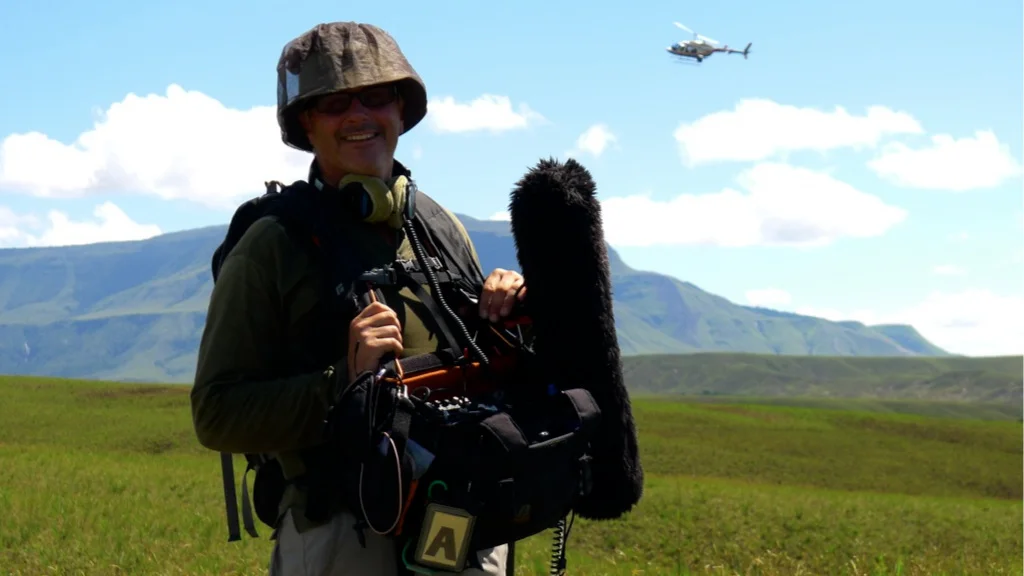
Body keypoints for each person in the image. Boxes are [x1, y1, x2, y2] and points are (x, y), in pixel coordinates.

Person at [190, 21, 525, 576]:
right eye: (334, 103)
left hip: (462, 516)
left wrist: (508, 315)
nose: (358, 115)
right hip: (342, 533)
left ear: (401, 109)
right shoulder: (272, 244)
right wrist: (342, 380)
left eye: (376, 96)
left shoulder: (441, 228)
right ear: (306, 122)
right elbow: (216, 414)